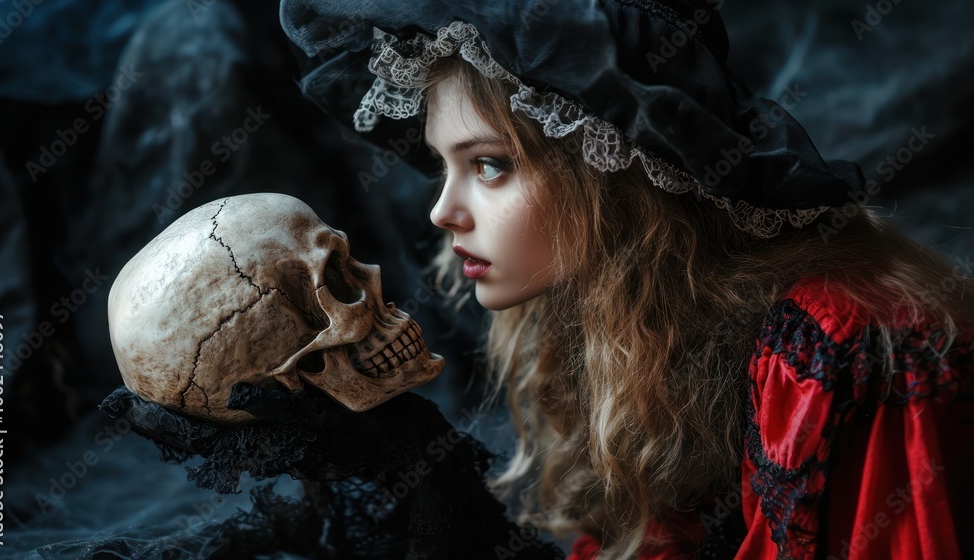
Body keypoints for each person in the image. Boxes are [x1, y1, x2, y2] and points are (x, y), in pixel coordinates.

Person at [280, 1, 974, 558]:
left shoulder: (840, 346)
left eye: (489, 164)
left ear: (611, 171)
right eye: (443, 165)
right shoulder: (632, 314)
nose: (441, 211)